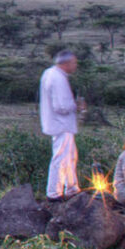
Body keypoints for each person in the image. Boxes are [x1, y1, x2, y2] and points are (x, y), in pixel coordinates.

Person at [38, 50, 85, 199]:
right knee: (61, 158)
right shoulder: (58, 78)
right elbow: (61, 106)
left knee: (70, 157)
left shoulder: (49, 73)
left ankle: (72, 188)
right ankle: (54, 193)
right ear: (66, 63)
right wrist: (77, 106)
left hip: (58, 124)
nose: (75, 66)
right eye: (74, 63)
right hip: (61, 124)